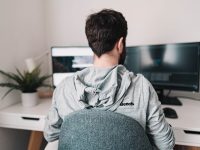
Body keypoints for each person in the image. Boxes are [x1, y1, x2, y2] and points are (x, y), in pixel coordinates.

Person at [44, 9, 175, 149]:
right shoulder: (142, 87)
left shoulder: (64, 88)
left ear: (91, 45)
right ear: (120, 44)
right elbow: (166, 145)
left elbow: (50, 134)